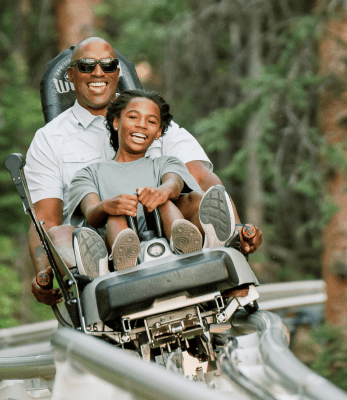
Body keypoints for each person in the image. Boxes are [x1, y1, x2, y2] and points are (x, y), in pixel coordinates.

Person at [25, 36, 262, 305]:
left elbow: (202, 179)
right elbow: (45, 220)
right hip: (99, 241)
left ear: (118, 72)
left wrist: (239, 228)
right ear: (71, 75)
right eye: (87, 66)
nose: (98, 72)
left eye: (108, 64)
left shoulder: (160, 128)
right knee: (64, 234)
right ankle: (99, 273)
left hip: (163, 225)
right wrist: (44, 273)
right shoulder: (50, 140)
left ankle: (219, 255)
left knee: (198, 198)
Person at [68, 90, 236, 277]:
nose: (141, 125)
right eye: (133, 117)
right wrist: (108, 206)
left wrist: (162, 192)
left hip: (162, 232)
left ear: (159, 132)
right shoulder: (89, 174)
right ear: (116, 122)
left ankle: (187, 244)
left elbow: (174, 183)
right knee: (115, 214)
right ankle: (124, 258)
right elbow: (91, 212)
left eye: (151, 121)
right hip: (114, 244)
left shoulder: (166, 162)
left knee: (181, 199)